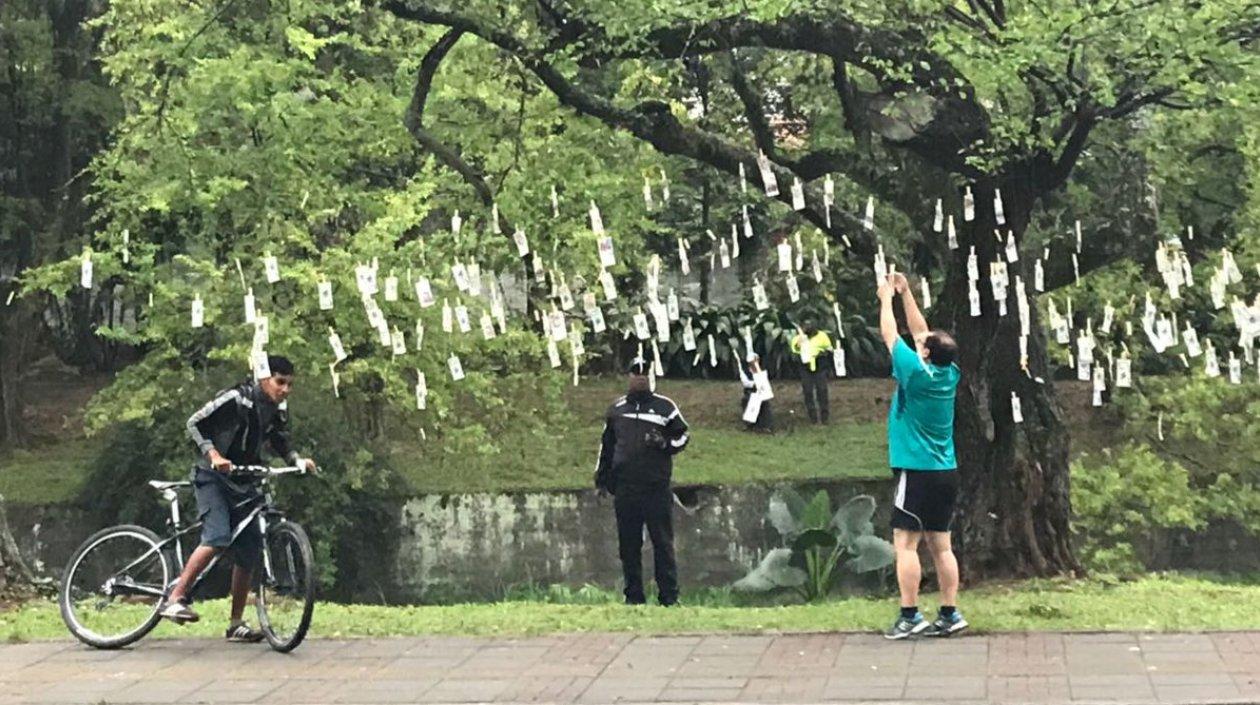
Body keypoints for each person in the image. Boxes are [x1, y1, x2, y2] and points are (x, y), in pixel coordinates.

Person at [159, 355, 317, 642]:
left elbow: (280, 439)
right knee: (217, 537)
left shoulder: (278, 407)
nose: (285, 390)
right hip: (214, 478)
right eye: (280, 382)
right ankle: (176, 597)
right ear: (262, 378)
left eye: (290, 385)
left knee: (249, 550)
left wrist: (297, 460)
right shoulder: (236, 398)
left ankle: (235, 624)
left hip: (246, 479)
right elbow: (195, 423)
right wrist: (214, 455)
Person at [877, 273, 966, 640]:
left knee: (906, 543)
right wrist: (906, 291)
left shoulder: (914, 372)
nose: (921, 342)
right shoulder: (949, 373)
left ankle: (910, 614)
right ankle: (949, 612)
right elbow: (919, 332)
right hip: (946, 471)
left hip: (917, 471)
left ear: (926, 353)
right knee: (941, 545)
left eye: (924, 344)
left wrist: (886, 299)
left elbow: (891, 336)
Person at [593, 358, 690, 606]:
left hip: (655, 487)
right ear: (628, 377)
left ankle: (669, 597)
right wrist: (602, 479)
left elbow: (683, 437)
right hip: (625, 487)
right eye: (635, 372)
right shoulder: (617, 409)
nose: (640, 377)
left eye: (644, 373)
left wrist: (664, 444)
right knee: (628, 545)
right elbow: (607, 445)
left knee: (662, 543)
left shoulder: (665, 407)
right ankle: (633, 596)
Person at [789, 320, 834, 423]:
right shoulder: (797, 338)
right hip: (805, 367)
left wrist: (823, 354)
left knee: (822, 390)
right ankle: (812, 416)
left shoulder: (822, 336)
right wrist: (800, 340)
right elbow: (794, 350)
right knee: (808, 391)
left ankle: (824, 416)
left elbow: (829, 348)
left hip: (820, 365)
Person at [737, 352, 773, 432]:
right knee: (747, 401)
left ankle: (765, 426)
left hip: (761, 391)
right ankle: (749, 424)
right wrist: (755, 384)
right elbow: (745, 382)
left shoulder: (762, 369)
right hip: (750, 392)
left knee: (765, 403)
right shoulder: (745, 371)